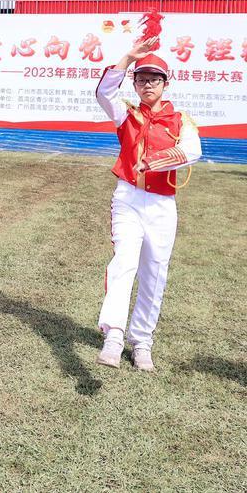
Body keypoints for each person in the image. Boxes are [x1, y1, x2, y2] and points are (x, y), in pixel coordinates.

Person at [94, 40, 201, 371]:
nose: (147, 84)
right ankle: (113, 335)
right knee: (124, 261)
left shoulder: (179, 118)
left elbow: (192, 150)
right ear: (135, 82)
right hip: (127, 199)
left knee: (155, 271)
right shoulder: (125, 112)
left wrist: (154, 161)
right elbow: (103, 93)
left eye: (154, 79)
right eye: (141, 79)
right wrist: (127, 58)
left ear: (166, 83)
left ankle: (142, 342)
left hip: (161, 205)